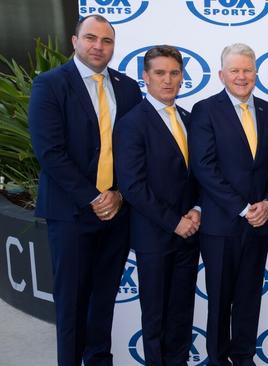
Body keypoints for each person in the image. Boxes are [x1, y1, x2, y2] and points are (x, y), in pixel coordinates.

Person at [28, 15, 141, 366]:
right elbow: (50, 152)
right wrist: (93, 198)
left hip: (117, 213)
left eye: (106, 41)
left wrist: (119, 194)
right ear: (75, 41)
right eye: (91, 38)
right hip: (72, 214)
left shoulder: (126, 87)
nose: (98, 46)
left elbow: (134, 150)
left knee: (103, 301)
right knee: (73, 303)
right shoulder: (50, 84)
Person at [189, 43, 268, 366]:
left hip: (258, 226)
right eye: (234, 70)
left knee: (248, 298)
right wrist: (244, 208)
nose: (241, 77)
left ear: (256, 73)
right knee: (220, 299)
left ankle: (244, 358)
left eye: (247, 70)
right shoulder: (204, 110)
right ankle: (217, 359)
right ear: (221, 74)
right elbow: (204, 167)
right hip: (221, 225)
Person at [113, 45, 200, 366]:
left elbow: (199, 175)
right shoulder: (131, 123)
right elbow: (132, 186)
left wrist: (197, 212)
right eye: (160, 73)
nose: (168, 80)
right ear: (146, 78)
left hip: (190, 236)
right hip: (154, 238)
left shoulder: (190, 119)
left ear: (182, 78)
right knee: (155, 320)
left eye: (174, 73)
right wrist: (174, 221)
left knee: (181, 318)